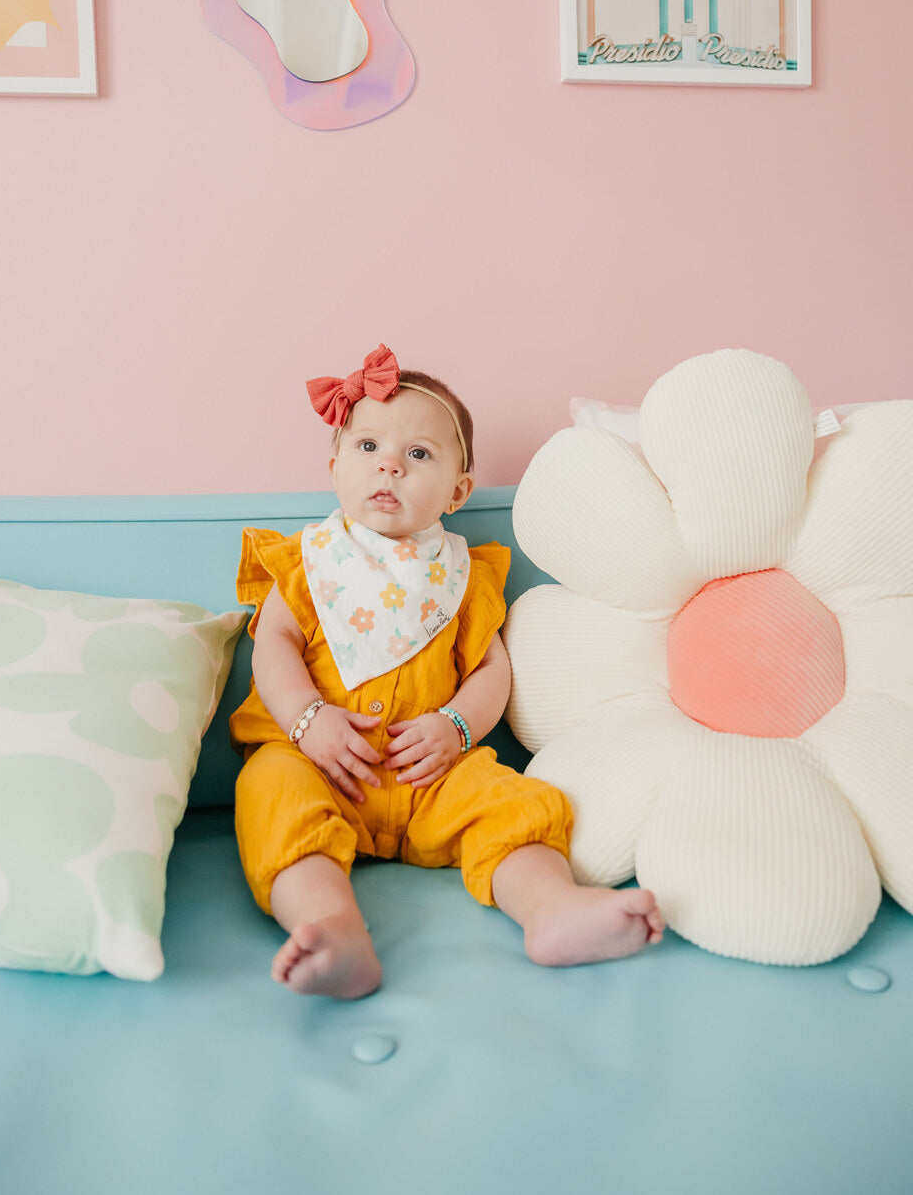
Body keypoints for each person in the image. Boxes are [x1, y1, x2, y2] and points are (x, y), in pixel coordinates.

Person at [230, 345, 664, 998]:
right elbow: (275, 646)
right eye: (368, 446)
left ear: (459, 492)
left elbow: (492, 667)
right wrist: (305, 720)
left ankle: (552, 910)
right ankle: (333, 930)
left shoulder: (462, 577)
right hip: (320, 759)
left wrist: (457, 727)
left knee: (510, 802)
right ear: (335, 467)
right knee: (272, 794)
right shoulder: (307, 562)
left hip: (429, 772)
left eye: (420, 455)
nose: (389, 466)